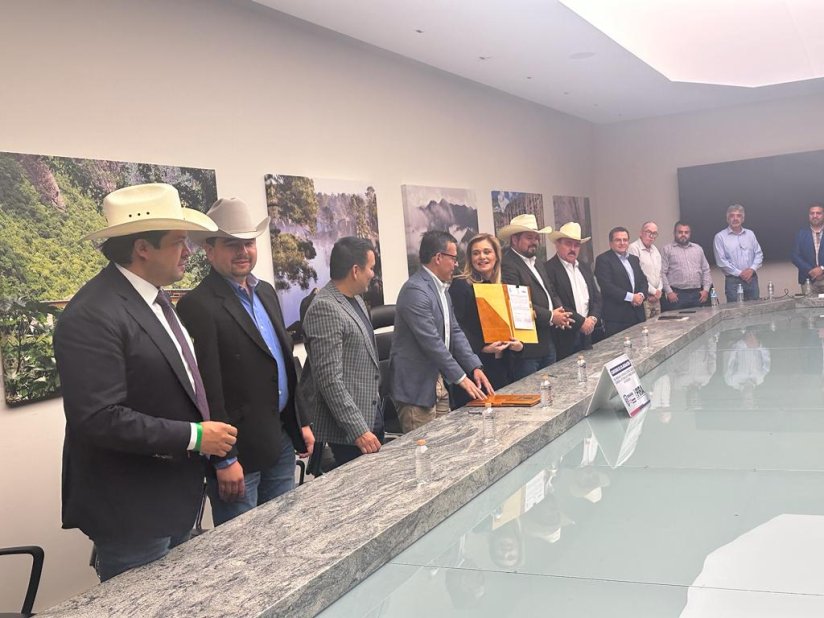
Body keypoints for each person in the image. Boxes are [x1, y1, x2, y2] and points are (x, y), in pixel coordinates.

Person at [53, 183, 237, 582]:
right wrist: (195, 436)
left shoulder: (154, 300)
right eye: (178, 242)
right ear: (142, 248)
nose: (188, 251)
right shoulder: (92, 314)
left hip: (173, 498)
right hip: (133, 511)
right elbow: (98, 418)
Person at [176, 197, 313, 526]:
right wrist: (224, 459)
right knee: (243, 546)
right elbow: (207, 389)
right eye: (231, 244)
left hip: (280, 439)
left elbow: (284, 362)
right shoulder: (198, 305)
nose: (243, 251)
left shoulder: (265, 292)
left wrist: (301, 422)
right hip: (239, 454)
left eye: (248, 243)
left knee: (283, 532)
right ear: (209, 251)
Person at [390, 230, 493, 432]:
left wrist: (474, 367)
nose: (456, 264)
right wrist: (462, 378)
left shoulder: (442, 289)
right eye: (453, 258)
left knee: (445, 443)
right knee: (424, 446)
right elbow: (432, 343)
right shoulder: (415, 290)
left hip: (438, 382)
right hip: (417, 388)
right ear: (438, 258)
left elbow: (454, 331)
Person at [300, 237, 383, 466]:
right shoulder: (325, 308)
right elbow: (329, 380)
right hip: (351, 431)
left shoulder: (356, 300)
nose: (373, 274)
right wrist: (358, 430)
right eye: (371, 268)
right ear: (355, 270)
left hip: (371, 413)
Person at [449, 233, 523, 408]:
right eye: (476, 253)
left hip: (503, 367)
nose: (482, 257)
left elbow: (515, 322)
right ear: (470, 258)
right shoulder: (460, 285)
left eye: (487, 252)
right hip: (476, 370)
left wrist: (519, 344)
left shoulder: (504, 286)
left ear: (496, 256)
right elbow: (456, 328)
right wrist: (483, 347)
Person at [499, 214, 573, 380]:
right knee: (532, 389)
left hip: (547, 339)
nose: (534, 242)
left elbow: (551, 291)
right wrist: (551, 316)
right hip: (527, 347)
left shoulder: (537, 262)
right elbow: (517, 303)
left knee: (551, 386)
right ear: (514, 239)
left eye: (536, 238)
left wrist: (560, 312)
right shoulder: (508, 264)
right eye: (529, 237)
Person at [544, 222, 603, 360]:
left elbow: (597, 297)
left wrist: (592, 319)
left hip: (589, 333)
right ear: (557, 244)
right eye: (568, 244)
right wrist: (581, 322)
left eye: (576, 245)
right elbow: (556, 301)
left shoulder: (584, 267)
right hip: (565, 335)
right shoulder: (548, 269)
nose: (573, 249)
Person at [594, 226, 648, 337]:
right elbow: (607, 286)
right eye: (618, 240)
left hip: (637, 314)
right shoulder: (603, 260)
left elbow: (643, 281)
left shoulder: (634, 259)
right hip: (617, 318)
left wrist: (641, 295)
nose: (622, 243)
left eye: (625, 240)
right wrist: (631, 297)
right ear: (610, 243)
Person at [713, 204, 763, 302]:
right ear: (727, 219)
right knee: (735, 310)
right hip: (733, 282)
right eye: (732, 216)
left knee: (755, 309)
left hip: (752, 280)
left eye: (739, 216)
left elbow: (759, 254)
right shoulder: (720, 237)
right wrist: (741, 274)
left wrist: (752, 269)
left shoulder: (750, 234)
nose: (735, 218)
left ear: (743, 219)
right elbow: (721, 262)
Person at [660, 221, 712, 311]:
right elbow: (662, 273)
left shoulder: (698, 249)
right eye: (680, 232)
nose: (683, 235)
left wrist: (706, 290)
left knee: (699, 318)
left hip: (697, 294)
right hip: (677, 296)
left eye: (686, 232)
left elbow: (706, 270)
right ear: (674, 233)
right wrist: (669, 292)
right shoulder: (667, 249)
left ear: (690, 234)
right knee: (677, 320)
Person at [627, 221, 663, 318]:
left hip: (656, 298)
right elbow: (637, 275)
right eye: (648, 232)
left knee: (658, 325)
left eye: (654, 233)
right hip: (644, 298)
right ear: (641, 233)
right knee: (646, 325)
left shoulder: (655, 249)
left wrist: (659, 291)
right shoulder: (633, 248)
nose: (651, 236)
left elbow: (660, 273)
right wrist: (654, 292)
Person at [791, 203, 824, 294]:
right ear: (808, 215)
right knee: (809, 303)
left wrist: (822, 269)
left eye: (818, 213)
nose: (815, 216)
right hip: (808, 280)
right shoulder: (800, 233)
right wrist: (810, 270)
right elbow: (795, 256)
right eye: (812, 213)